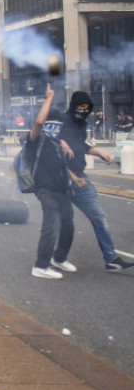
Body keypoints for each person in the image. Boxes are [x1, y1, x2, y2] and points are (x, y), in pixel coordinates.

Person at [59, 90, 134, 272]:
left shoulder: (81, 124)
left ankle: (111, 259)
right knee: (61, 223)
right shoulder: (64, 122)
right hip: (61, 179)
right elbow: (55, 149)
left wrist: (99, 153)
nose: (84, 110)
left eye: (87, 107)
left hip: (80, 177)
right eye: (81, 107)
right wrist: (72, 176)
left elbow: (80, 146)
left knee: (98, 217)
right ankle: (52, 259)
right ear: (74, 105)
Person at [24, 85, 77, 279]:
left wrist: (74, 179)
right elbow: (38, 123)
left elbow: (62, 166)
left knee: (68, 227)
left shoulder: (56, 142)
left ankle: (59, 259)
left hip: (62, 190)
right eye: (51, 123)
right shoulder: (34, 139)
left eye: (58, 124)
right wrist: (48, 99)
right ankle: (40, 265)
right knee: (51, 226)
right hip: (45, 189)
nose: (55, 127)